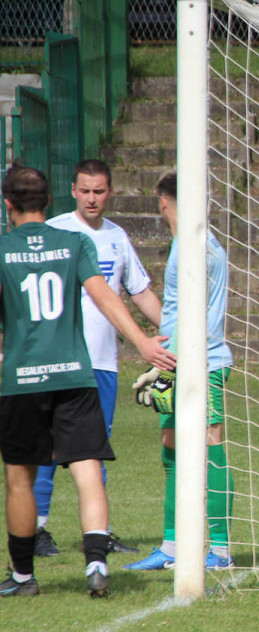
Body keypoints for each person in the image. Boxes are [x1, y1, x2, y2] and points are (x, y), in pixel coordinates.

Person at [0, 167, 174, 597]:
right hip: (75, 376)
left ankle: (23, 577)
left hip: (22, 379)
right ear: (52, 197)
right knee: (87, 469)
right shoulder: (73, 241)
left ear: (7, 205)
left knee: (20, 477)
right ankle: (96, 561)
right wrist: (142, 342)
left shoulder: (3, 249)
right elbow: (105, 296)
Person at [32, 159, 161, 558]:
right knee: (46, 449)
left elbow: (138, 291)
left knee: (95, 447)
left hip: (102, 363)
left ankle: (99, 532)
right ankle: (37, 530)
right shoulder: (55, 231)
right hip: (57, 360)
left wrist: (180, 331)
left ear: (110, 192)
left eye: (99, 191)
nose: (92, 198)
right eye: (85, 190)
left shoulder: (118, 238)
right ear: (73, 191)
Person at [125, 173, 236, 571]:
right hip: (177, 363)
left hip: (203, 363)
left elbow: (201, 316)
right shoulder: (183, 245)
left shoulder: (198, 248)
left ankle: (220, 551)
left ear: (162, 202)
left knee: (210, 445)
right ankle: (172, 546)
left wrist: (178, 361)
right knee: (172, 445)